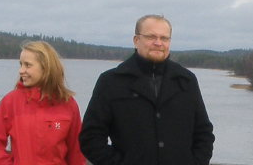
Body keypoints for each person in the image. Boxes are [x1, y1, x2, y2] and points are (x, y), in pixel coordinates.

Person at [80, 15, 214, 165]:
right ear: (136, 40)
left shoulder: (186, 81)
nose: (158, 43)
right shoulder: (111, 81)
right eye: (151, 37)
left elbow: (204, 133)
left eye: (164, 38)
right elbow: (91, 137)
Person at [0, 40, 85, 165]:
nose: (21, 71)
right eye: (20, 64)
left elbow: (76, 152)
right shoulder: (11, 102)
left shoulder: (68, 104)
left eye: (28, 65)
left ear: (46, 67)